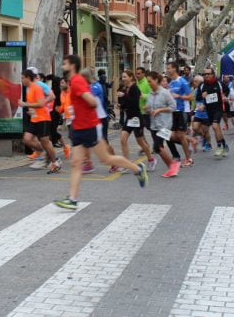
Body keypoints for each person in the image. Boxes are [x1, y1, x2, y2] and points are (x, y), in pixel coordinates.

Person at [53, 55, 148, 210]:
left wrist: (83, 103)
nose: (62, 66)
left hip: (89, 126)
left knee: (106, 159)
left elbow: (92, 101)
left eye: (64, 64)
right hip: (79, 127)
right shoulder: (73, 81)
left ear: (72, 65)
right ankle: (72, 199)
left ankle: (138, 169)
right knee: (76, 163)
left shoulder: (77, 81)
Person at [19, 69, 61, 173]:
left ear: (28, 78)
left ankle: (55, 162)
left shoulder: (36, 88)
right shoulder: (29, 88)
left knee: (45, 141)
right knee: (27, 139)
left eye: (23, 78)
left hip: (43, 118)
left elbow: (41, 103)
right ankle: (43, 153)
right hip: (35, 118)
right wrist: (30, 111)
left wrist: (25, 104)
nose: (21, 80)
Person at [117, 70, 156, 171]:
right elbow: (127, 103)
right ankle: (127, 164)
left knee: (141, 142)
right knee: (123, 139)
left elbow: (134, 102)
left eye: (125, 77)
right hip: (129, 118)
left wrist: (124, 96)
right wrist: (121, 106)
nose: (123, 79)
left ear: (131, 77)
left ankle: (151, 159)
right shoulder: (127, 88)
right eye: (122, 77)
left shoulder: (135, 88)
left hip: (137, 118)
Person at [145, 71, 179, 177]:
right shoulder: (150, 94)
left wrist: (160, 110)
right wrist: (147, 109)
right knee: (158, 148)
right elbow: (149, 107)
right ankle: (172, 167)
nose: (149, 83)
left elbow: (173, 106)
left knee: (158, 146)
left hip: (165, 125)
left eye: (150, 81)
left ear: (156, 80)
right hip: (154, 125)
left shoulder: (164, 93)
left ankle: (173, 166)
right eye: (147, 82)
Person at [166, 62, 193, 167]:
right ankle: (177, 156)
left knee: (181, 136)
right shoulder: (171, 83)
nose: (167, 70)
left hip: (180, 112)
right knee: (167, 135)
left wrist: (179, 96)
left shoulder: (182, 81)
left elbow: (190, 96)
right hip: (171, 113)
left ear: (174, 69)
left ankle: (189, 159)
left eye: (169, 68)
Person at [199, 68, 229, 158]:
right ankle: (225, 146)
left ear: (213, 74)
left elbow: (227, 90)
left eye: (208, 74)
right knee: (217, 129)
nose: (206, 76)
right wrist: (201, 100)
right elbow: (198, 98)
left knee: (215, 126)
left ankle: (219, 146)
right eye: (205, 74)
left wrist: (224, 96)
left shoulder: (219, 83)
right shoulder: (202, 85)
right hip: (209, 110)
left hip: (219, 109)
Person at [192, 75, 212, 152]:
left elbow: (210, 102)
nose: (194, 83)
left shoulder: (206, 90)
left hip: (206, 114)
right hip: (198, 113)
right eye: (193, 81)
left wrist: (204, 106)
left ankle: (209, 144)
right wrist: (197, 106)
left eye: (195, 81)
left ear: (200, 82)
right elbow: (196, 101)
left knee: (206, 131)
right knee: (195, 128)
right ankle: (203, 137)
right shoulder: (196, 90)